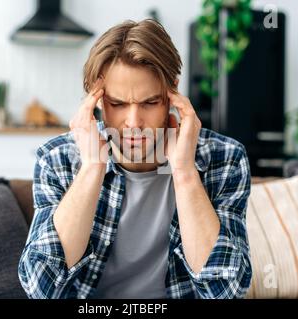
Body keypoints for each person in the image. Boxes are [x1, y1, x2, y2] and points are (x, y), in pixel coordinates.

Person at [18, 19, 252, 299]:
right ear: (98, 99)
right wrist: (93, 167)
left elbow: (227, 291)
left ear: (172, 93)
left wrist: (184, 172)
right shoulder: (57, 159)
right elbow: (41, 289)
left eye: (150, 103)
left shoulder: (225, 159)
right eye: (117, 104)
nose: (134, 122)